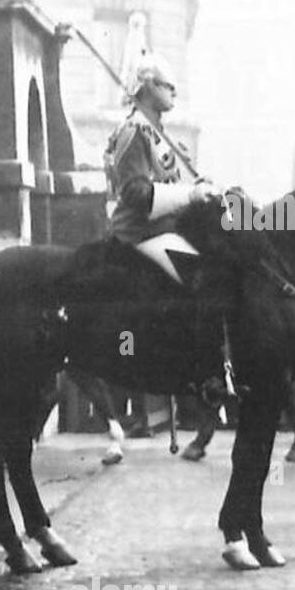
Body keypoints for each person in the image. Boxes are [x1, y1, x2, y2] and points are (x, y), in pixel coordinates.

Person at [104, 53, 233, 404]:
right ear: (146, 88)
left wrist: (199, 186)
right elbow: (134, 192)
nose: (173, 90)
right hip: (142, 234)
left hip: (168, 228)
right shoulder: (134, 130)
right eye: (165, 85)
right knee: (201, 281)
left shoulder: (158, 131)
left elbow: (169, 180)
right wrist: (190, 194)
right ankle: (202, 373)